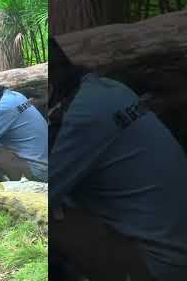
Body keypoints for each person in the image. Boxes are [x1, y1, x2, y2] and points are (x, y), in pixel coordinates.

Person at [48, 36, 187, 281]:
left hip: (160, 262)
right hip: (174, 241)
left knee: (42, 217)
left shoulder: (84, 116)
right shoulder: (111, 89)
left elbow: (46, 192)